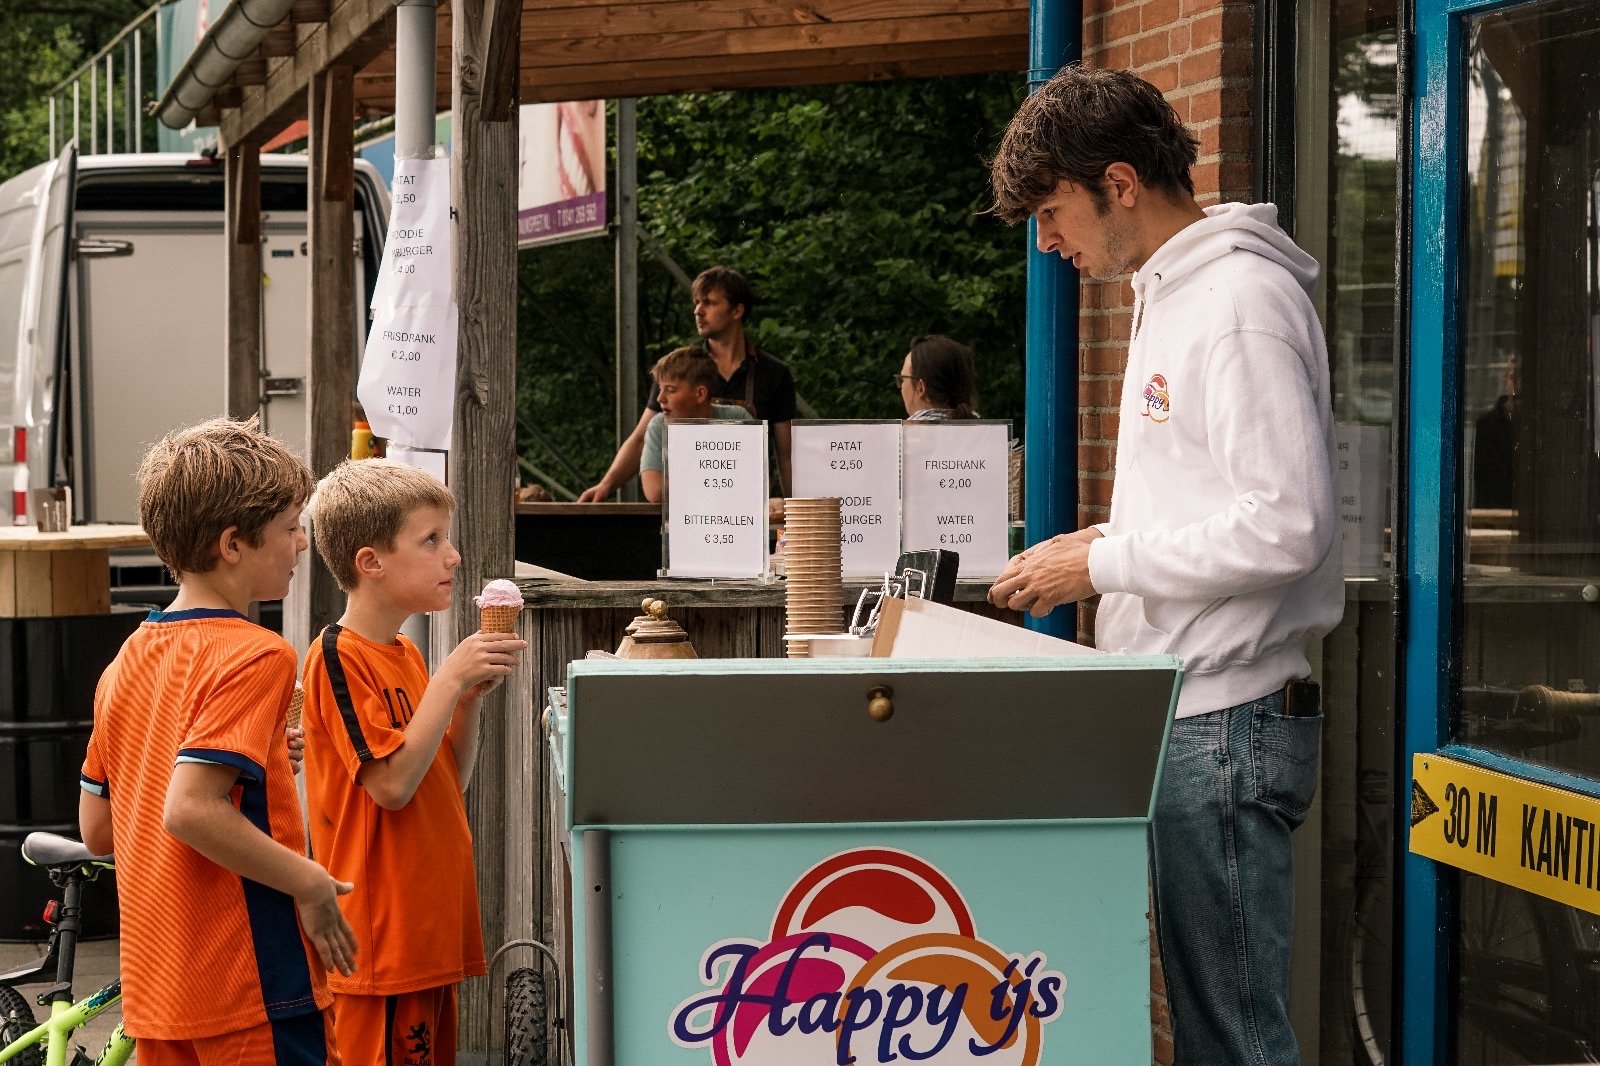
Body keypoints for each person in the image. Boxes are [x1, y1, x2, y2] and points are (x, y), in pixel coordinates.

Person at [985, 66, 1343, 1066]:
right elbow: (1208, 500)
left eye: (1052, 213)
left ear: (1120, 182)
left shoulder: (1236, 303)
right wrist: (1096, 550)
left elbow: (1291, 524)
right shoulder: (1177, 294)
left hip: (1225, 720)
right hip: (1195, 715)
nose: (1047, 242)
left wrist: (1104, 563)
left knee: (1233, 1041)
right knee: (1213, 1032)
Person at [78, 416, 353, 1065]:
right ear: (233, 544)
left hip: (159, 994)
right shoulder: (259, 654)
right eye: (290, 527)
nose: (302, 543)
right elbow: (190, 808)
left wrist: (259, 769)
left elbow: (99, 830)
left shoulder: (125, 661)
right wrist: (310, 882)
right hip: (251, 986)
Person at [298, 459, 526, 1066]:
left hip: (427, 930)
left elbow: (447, 779)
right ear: (370, 562)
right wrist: (450, 679)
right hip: (382, 939)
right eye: (431, 540)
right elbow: (392, 786)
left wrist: (466, 701)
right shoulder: (337, 656)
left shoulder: (406, 652)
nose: (452, 556)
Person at [578, 266, 798, 500]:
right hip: (685, 508)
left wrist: (796, 513)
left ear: (737, 310)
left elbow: (786, 456)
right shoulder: (679, 371)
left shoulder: (773, 373)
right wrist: (606, 485)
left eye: (709, 303)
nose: (698, 311)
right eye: (696, 303)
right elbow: (642, 438)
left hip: (741, 504)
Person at [639, 345, 755, 502]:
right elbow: (655, 491)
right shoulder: (659, 425)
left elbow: (752, 484)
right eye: (660, 389)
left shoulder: (738, 419)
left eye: (670, 390)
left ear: (700, 394)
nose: (660, 398)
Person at [898, 334, 980, 421]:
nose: (900, 387)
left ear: (920, 387)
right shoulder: (982, 427)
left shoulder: (899, 429)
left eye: (902, 380)